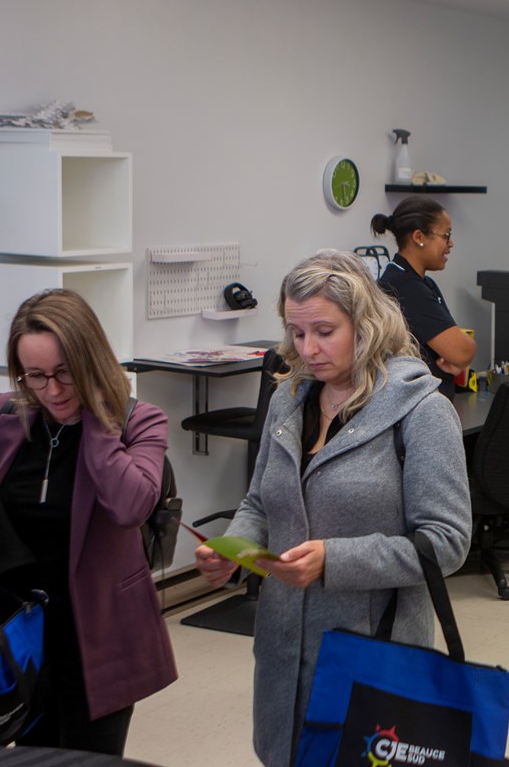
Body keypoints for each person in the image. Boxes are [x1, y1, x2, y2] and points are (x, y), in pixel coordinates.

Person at [194, 250, 471, 767]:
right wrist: (235, 548)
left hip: (371, 649)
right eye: (296, 333)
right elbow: (260, 501)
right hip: (283, 646)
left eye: (324, 331)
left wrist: (334, 560)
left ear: (365, 325)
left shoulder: (421, 411)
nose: (308, 349)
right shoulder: (290, 398)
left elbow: (447, 542)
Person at [0, 288, 176, 754]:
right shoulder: (2, 417)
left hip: (98, 637)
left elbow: (130, 507)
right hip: (19, 637)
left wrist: (99, 418)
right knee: (30, 757)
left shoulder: (140, 422)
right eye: (36, 376)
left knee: (89, 759)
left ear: (90, 363)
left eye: (65, 373)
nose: (53, 391)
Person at [373, 195, 476, 398]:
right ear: (419, 237)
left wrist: (458, 356)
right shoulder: (405, 288)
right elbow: (462, 351)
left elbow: (457, 350)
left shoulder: (421, 283)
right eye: (446, 235)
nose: (451, 243)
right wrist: (460, 356)